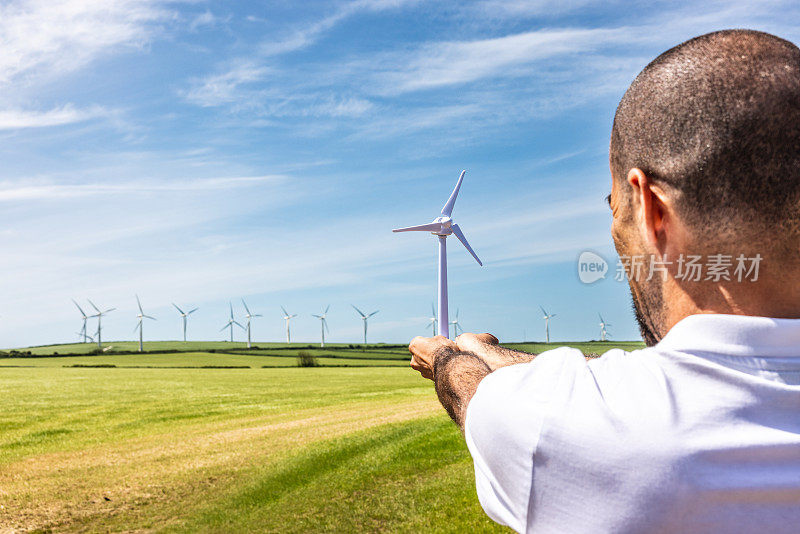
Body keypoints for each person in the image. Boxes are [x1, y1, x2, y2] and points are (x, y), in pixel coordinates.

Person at [408, 29, 800, 533]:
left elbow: (480, 399)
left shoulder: (584, 433)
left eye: (615, 209)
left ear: (653, 210)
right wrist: (488, 351)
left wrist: (447, 356)